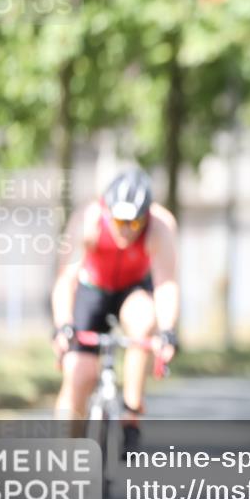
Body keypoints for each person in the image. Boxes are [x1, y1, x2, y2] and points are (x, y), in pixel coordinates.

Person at [51, 168, 179, 451]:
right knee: (78, 374)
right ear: (108, 212)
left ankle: (131, 414)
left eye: (135, 224)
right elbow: (65, 280)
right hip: (92, 288)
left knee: (145, 321)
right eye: (120, 221)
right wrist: (62, 325)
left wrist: (168, 331)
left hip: (132, 288)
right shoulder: (87, 220)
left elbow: (166, 284)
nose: (126, 230)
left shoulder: (160, 226)